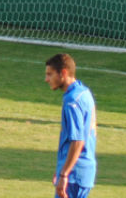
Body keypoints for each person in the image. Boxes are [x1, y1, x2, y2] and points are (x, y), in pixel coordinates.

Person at [44, 53, 97, 198]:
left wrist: (64, 174)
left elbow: (78, 141)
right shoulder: (84, 92)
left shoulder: (72, 101)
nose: (46, 79)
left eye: (50, 74)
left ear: (63, 73)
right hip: (84, 171)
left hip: (74, 174)